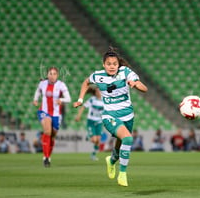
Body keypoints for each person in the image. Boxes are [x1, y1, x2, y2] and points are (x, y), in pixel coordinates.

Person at [73, 47, 148, 187]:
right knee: (128, 138)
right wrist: (80, 100)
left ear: (118, 64)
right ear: (104, 64)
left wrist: (135, 84)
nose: (112, 66)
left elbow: (144, 88)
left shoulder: (126, 72)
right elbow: (85, 83)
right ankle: (123, 174)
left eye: (114, 63)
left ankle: (112, 160)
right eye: (109, 64)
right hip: (109, 116)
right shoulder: (98, 75)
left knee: (121, 145)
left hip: (127, 116)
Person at [33, 66, 71, 167]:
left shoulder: (61, 85)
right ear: (47, 75)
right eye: (50, 74)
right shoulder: (42, 84)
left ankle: (48, 156)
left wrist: (61, 100)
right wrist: (36, 99)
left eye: (54, 74)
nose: (52, 76)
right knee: (47, 131)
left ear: (57, 75)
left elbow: (68, 99)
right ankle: (45, 157)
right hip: (44, 111)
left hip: (56, 114)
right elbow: (38, 91)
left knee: (52, 136)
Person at [75, 86, 104, 161]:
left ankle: (93, 155)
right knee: (94, 140)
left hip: (99, 122)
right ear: (95, 92)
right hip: (91, 121)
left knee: (98, 140)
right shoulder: (92, 100)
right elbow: (83, 107)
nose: (98, 93)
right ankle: (89, 136)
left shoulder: (104, 100)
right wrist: (78, 116)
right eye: (97, 91)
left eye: (99, 91)